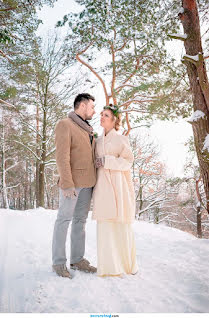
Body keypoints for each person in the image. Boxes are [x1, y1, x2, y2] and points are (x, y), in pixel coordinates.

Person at [52, 93, 97, 279]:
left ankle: (77, 259)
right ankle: (58, 263)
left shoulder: (88, 129)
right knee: (63, 221)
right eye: (92, 106)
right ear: (83, 105)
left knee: (80, 222)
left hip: (88, 184)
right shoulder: (65, 124)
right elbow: (62, 157)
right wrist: (67, 183)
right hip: (72, 185)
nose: (94, 110)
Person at [92, 104, 138, 277]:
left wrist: (107, 161)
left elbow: (128, 161)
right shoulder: (97, 141)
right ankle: (109, 267)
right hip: (102, 187)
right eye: (101, 114)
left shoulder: (121, 139)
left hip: (118, 186)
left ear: (114, 120)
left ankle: (126, 265)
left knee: (119, 224)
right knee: (105, 225)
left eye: (106, 115)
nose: (102, 117)